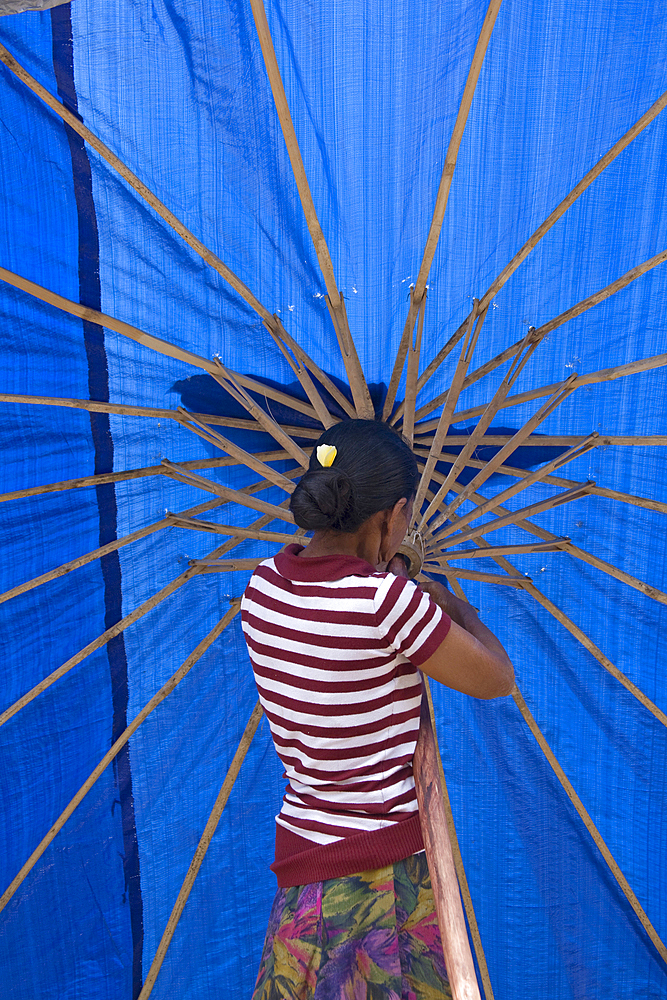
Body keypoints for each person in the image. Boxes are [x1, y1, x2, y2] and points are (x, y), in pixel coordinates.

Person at [241, 419, 514, 1000]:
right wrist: (447, 603)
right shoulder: (388, 604)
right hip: (382, 880)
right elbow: (496, 678)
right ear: (391, 516)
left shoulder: (262, 588)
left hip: (302, 881)